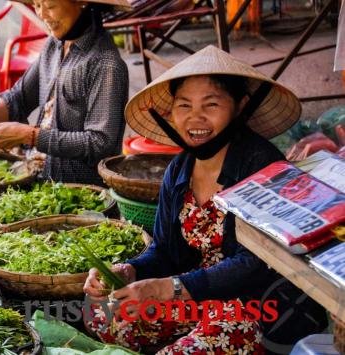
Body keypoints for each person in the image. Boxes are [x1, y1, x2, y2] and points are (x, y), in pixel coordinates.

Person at [83, 46, 327, 354]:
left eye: (211, 104)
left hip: (256, 307)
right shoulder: (179, 169)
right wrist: (129, 270)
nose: (195, 118)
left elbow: (260, 262)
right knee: (112, 321)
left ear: (240, 106)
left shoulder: (262, 164)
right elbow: (165, 251)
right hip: (198, 298)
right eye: (184, 105)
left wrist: (171, 288)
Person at [0, 0, 130, 186]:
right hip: (33, 153)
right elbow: (19, 98)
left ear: (81, 4)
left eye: (49, 7)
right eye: (37, 5)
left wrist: (30, 136)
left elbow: (99, 143)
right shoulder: (54, 45)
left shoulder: (106, 63)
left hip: (66, 180)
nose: (41, 14)